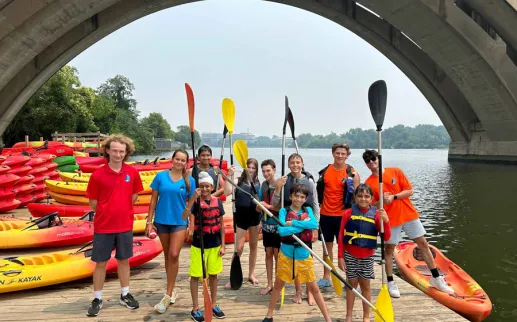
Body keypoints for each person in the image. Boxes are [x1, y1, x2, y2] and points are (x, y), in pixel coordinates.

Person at [362, 149, 454, 297]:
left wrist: (394, 197)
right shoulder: (369, 183)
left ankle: (436, 278)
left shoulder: (395, 171)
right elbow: (369, 206)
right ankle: (391, 282)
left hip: (408, 214)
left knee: (423, 243)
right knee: (389, 250)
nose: (371, 162)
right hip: (390, 219)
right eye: (368, 161)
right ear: (366, 164)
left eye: (373, 159)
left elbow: (409, 191)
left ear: (379, 159)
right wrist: (382, 201)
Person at [85, 134, 144, 317]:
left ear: (126, 153)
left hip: (125, 225)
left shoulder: (132, 173)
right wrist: (107, 210)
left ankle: (125, 294)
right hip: (104, 226)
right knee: (100, 263)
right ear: (107, 150)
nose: (118, 154)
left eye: (122, 151)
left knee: (124, 260)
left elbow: (134, 196)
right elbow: (93, 202)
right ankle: (97, 298)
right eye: (115, 151)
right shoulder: (97, 175)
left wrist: (121, 208)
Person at [261, 184, 332, 322]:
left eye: (302, 197)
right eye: (296, 196)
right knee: (278, 285)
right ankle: (268, 316)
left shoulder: (308, 210)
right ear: (291, 196)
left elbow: (314, 225)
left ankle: (327, 318)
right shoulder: (283, 211)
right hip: (286, 254)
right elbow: (281, 231)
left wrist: (292, 223)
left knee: (314, 288)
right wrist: (302, 226)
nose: (298, 199)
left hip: (303, 254)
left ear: (305, 199)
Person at [146, 149, 196, 313]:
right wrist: (148, 221)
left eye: (183, 160)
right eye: (177, 159)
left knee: (174, 254)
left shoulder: (190, 181)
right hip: (161, 221)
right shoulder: (160, 177)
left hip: (179, 222)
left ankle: (167, 295)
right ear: (172, 159)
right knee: (168, 256)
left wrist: (191, 225)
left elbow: (192, 205)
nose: (179, 162)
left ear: (186, 163)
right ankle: (171, 288)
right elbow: (153, 200)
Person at [337, 184, 391, 322]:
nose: (363, 199)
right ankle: (348, 315)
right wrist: (340, 257)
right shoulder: (347, 214)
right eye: (360, 196)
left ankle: (366, 316)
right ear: (355, 197)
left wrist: (386, 221)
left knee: (365, 285)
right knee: (351, 284)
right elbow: (341, 237)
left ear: (372, 199)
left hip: (367, 256)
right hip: (350, 255)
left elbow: (386, 237)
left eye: (367, 196)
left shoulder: (377, 215)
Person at [272, 153, 319, 305]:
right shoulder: (284, 181)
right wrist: (278, 188)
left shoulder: (310, 181)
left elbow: (316, 204)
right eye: (292, 162)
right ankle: (298, 291)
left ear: (302, 163)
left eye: (298, 162)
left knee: (306, 262)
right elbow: (275, 203)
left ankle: (309, 292)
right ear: (288, 164)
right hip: (288, 221)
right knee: (294, 261)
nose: (295, 165)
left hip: (305, 223)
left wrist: (315, 228)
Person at [183, 171, 226, 321]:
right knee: (195, 276)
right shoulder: (195, 203)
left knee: (214, 275)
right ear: (198, 188)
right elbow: (184, 216)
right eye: (202, 187)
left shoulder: (217, 202)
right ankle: (195, 308)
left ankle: (213, 303)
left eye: (207, 186)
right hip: (198, 244)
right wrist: (193, 198)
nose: (205, 189)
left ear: (212, 187)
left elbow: (221, 225)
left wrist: (223, 246)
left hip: (214, 244)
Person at [316, 143, 360, 289]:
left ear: (347, 155)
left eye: (343, 153)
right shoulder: (326, 171)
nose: (340, 156)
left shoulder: (352, 173)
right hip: (326, 215)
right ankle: (326, 276)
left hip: (344, 216)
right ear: (333, 153)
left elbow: (358, 197)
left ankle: (349, 279)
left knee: (346, 248)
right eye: (337, 153)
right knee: (326, 248)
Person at [224, 158, 262, 289]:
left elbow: (261, 202)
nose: (251, 170)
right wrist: (229, 174)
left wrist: (262, 221)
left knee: (253, 246)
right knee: (238, 248)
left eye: (253, 168)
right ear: (245, 168)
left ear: (256, 170)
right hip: (241, 218)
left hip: (255, 218)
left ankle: (251, 274)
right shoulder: (237, 181)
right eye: (249, 167)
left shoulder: (258, 183)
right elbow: (226, 192)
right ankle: (233, 277)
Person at [257, 159, 281, 295]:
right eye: (264, 171)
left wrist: (267, 206)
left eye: (268, 171)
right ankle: (269, 284)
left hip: (278, 226)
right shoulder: (263, 187)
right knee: (268, 254)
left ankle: (278, 284)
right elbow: (260, 207)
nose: (266, 174)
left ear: (274, 170)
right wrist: (259, 209)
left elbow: (280, 208)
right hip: (267, 226)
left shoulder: (280, 185)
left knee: (278, 255)